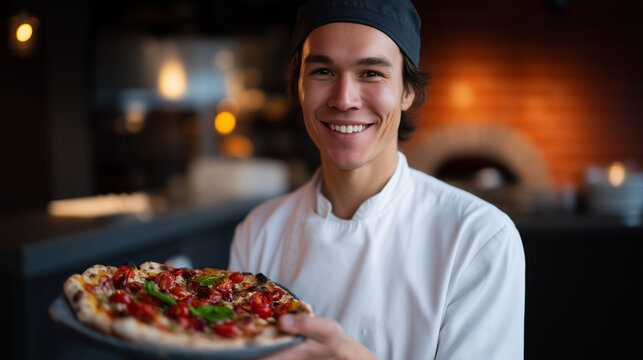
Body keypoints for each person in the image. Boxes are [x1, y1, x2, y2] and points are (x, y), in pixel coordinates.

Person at [228, 0, 525, 359]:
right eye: (323, 71)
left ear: (407, 92)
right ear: (299, 87)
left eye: (371, 73)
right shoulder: (259, 231)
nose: (344, 99)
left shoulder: (478, 239)